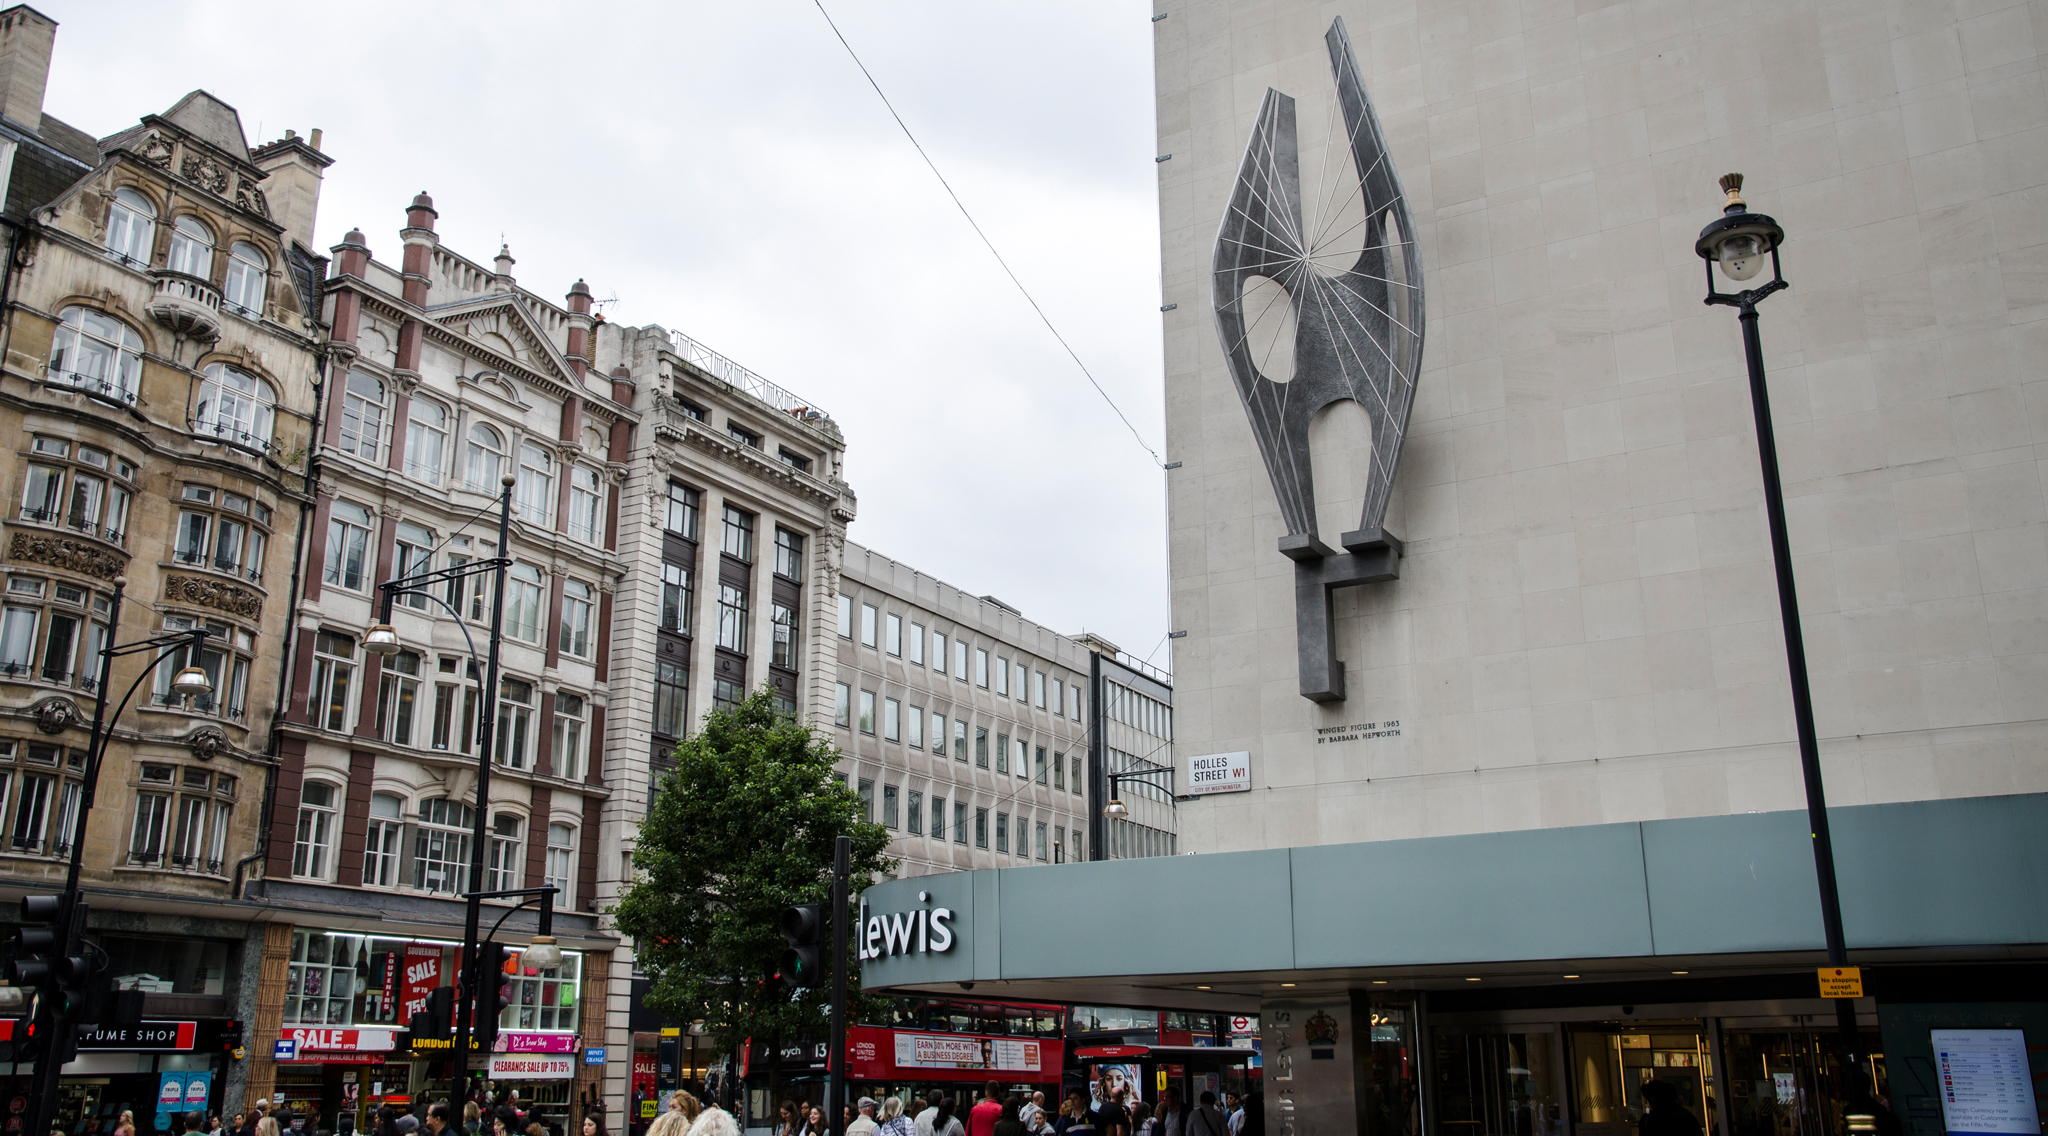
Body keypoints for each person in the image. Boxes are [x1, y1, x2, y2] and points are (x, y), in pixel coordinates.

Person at [1636, 1083, 1701, 1136]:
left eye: (1657, 1101)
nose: (1654, 1105)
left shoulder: (1647, 1119)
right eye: (1651, 1102)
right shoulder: (1683, 1116)